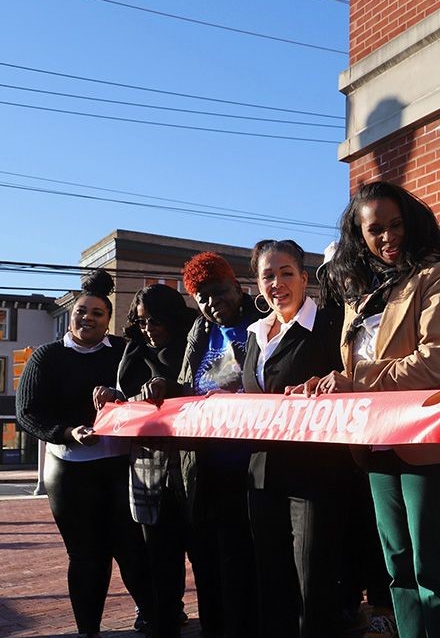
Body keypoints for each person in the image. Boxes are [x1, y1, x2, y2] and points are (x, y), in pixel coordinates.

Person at [299, 180, 440, 638]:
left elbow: (437, 363)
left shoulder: (439, 274)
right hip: (377, 445)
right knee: (398, 569)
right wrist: (328, 383)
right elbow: (351, 366)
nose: (388, 237)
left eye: (396, 225)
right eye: (376, 230)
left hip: (430, 443)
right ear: (360, 236)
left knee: (434, 571)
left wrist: (354, 381)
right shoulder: (362, 295)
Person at [16, 270, 154, 638]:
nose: (87, 318)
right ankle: (87, 630)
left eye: (97, 313)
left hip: (120, 467)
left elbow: (150, 394)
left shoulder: (126, 352)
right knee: (86, 556)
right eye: (81, 311)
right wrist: (67, 432)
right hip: (69, 469)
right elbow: (28, 411)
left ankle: (153, 614)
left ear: (108, 319)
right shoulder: (47, 357)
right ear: (71, 314)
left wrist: (123, 401)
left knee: (131, 548)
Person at [241, 238, 355, 638]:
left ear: (305, 278)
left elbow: (352, 384)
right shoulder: (254, 335)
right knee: (270, 580)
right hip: (261, 473)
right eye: (267, 276)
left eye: (286, 273)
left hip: (315, 475)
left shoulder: (329, 325)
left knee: (314, 583)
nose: (277, 283)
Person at [94, 283, 197, 638]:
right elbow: (127, 402)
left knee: (200, 549)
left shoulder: (192, 346)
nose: (149, 330)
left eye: (156, 321)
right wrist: (112, 397)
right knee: (158, 552)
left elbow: (206, 389)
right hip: (147, 466)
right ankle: (164, 616)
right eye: (141, 323)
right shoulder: (133, 353)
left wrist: (171, 387)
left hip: (191, 463)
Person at [178, 251, 264, 638]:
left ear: (238, 287)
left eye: (219, 292)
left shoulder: (262, 321)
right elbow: (185, 386)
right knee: (209, 563)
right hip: (207, 468)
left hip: (251, 464)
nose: (214, 303)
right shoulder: (199, 331)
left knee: (245, 565)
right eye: (203, 298)